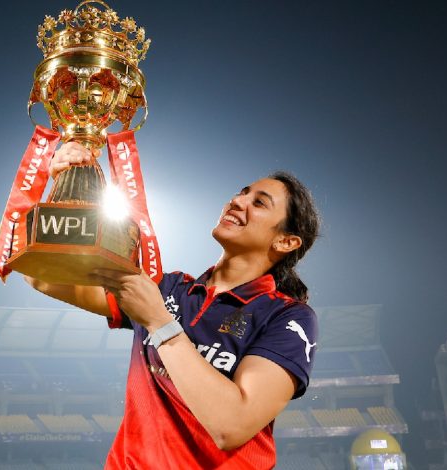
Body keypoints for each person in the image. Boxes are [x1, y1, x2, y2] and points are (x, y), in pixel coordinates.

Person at [25, 142, 321, 469]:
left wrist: (160, 323)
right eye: (242, 193)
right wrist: (63, 187)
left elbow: (231, 426)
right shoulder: (166, 288)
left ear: (286, 241)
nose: (238, 201)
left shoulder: (287, 317)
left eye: (259, 202)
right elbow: (42, 276)